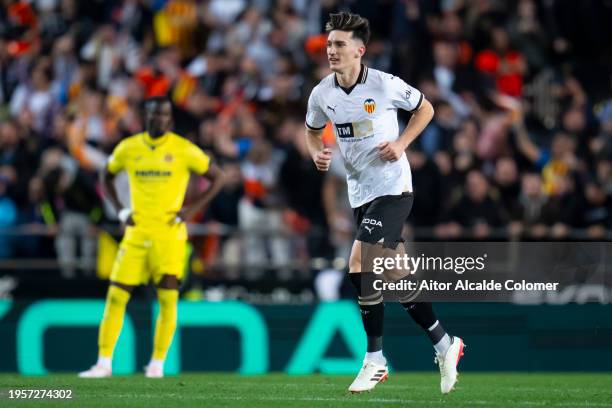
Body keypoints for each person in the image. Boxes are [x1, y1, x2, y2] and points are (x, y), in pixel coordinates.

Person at [304, 12, 465, 394]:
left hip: (393, 189)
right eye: (329, 44)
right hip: (360, 194)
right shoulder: (322, 93)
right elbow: (312, 131)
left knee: (360, 263)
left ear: (360, 50)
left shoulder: (384, 84)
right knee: (395, 273)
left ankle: (375, 359)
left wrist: (401, 144)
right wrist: (317, 153)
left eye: (340, 44)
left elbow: (425, 108)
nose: (332, 51)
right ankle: (445, 342)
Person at [79, 96, 225, 378]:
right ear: (145, 116)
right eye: (155, 114)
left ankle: (157, 364)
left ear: (170, 119)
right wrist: (121, 211)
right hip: (135, 233)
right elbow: (105, 175)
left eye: (165, 115)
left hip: (169, 235)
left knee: (168, 299)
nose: (160, 119)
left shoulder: (184, 149)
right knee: (116, 296)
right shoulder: (129, 148)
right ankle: (103, 363)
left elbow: (218, 177)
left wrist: (190, 210)